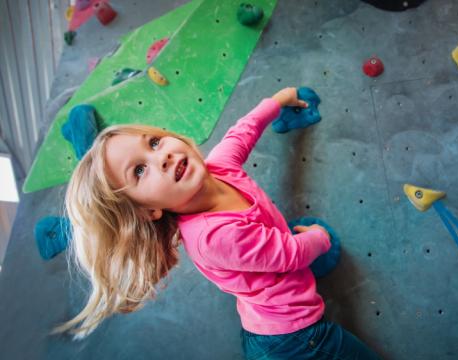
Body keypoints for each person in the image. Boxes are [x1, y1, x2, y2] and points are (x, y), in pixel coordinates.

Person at [53, 87, 382, 359]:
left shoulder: (218, 167)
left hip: (265, 323)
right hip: (296, 338)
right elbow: (292, 254)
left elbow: (244, 130)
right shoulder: (213, 237)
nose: (161, 156)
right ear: (148, 211)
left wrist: (278, 102)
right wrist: (319, 237)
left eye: (153, 143)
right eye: (139, 171)